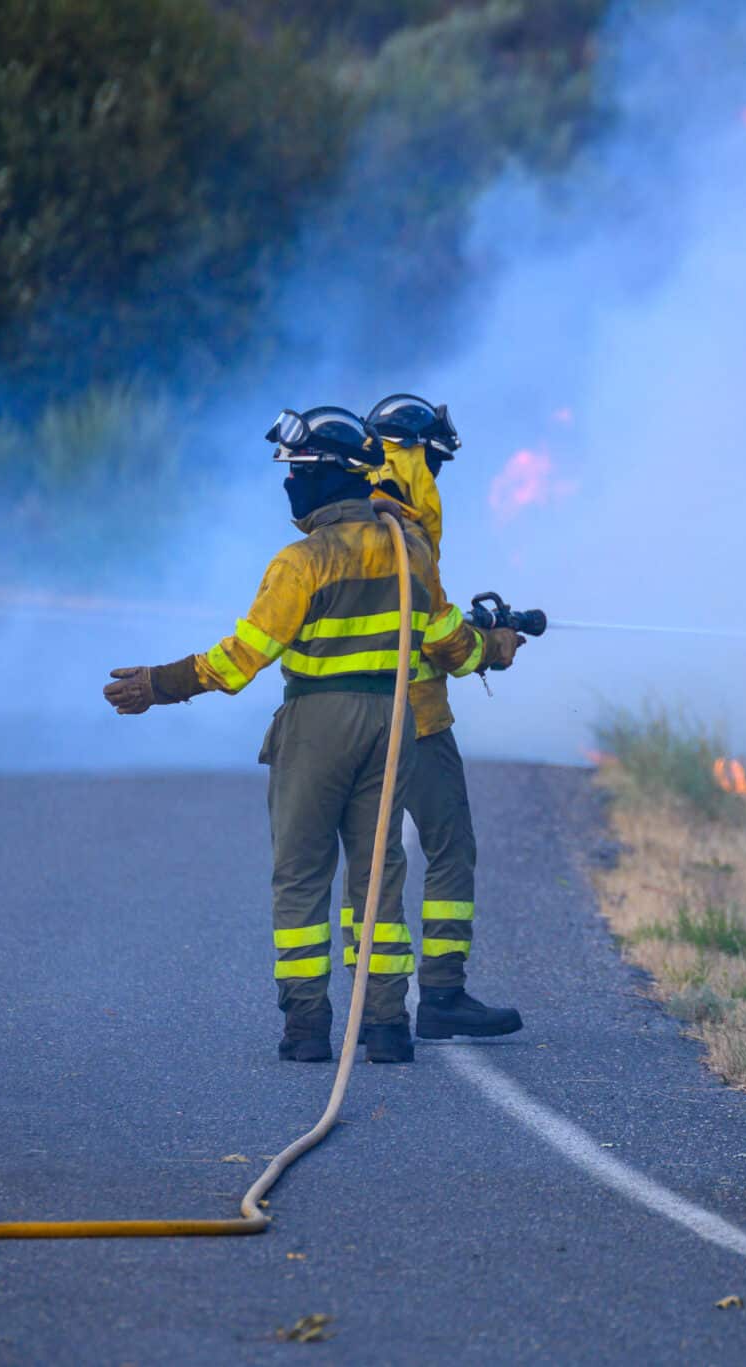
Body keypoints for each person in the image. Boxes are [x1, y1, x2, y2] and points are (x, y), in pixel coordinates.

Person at [101, 405, 522, 1063]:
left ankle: (306, 1028)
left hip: (316, 725)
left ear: (325, 476)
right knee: (378, 874)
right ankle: (385, 1026)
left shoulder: (301, 563)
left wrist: (162, 683)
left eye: (296, 469)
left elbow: (244, 656)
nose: (289, 483)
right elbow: (446, 641)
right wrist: (493, 647)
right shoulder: (409, 547)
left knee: (301, 874)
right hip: (393, 725)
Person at [356, 393, 525, 1040]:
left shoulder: (351, 509)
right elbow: (436, 630)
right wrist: (492, 647)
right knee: (449, 848)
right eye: (436, 461)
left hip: (349, 716)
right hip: (417, 720)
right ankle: (443, 993)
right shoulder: (407, 517)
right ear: (419, 453)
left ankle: (369, 1013)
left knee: (369, 862)